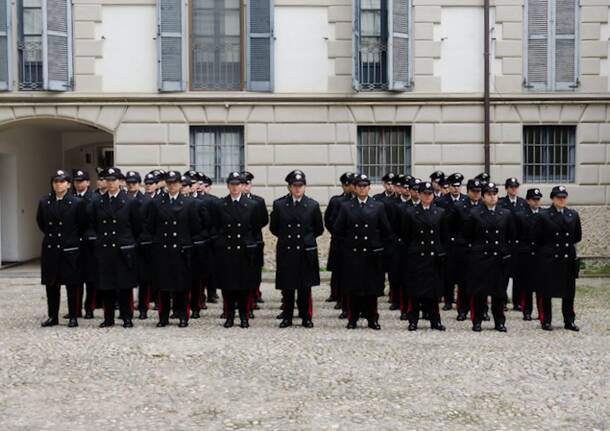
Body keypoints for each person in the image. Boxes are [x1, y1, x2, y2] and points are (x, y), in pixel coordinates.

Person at [333, 174, 393, 330]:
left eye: (365, 186)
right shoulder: (347, 206)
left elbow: (386, 231)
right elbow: (338, 230)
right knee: (354, 289)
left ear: (369, 188)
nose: (362, 188)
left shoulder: (378, 206)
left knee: (371, 290)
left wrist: (380, 249)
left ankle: (372, 318)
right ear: (355, 187)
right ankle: (352, 318)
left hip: (372, 255)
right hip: (353, 254)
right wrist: (346, 248)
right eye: (359, 186)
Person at [146, 170, 201, 328]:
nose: (172, 186)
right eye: (169, 183)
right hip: (162, 249)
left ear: (180, 184)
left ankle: (183, 316)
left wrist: (186, 241)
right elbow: (150, 226)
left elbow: (195, 226)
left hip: (181, 250)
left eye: (175, 183)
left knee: (182, 286)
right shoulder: (157, 203)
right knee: (163, 287)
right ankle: (163, 318)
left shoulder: (189, 203)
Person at [270, 170, 324, 328]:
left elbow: (318, 229)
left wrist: (306, 239)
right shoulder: (279, 204)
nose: (298, 189)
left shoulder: (312, 205)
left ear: (305, 187)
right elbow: (274, 228)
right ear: (289, 187)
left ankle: (306, 317)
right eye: (295, 186)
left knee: (305, 287)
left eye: (300, 186)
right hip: (287, 250)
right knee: (287, 287)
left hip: (305, 251)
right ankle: (287, 317)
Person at [37, 170, 88, 327]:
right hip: (51, 248)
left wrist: (70, 239)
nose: (58, 184)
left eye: (61, 181)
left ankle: (73, 316)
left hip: (69, 249)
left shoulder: (77, 203)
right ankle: (53, 316)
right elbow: (41, 223)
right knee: (51, 285)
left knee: (72, 285)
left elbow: (83, 225)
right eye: (55, 182)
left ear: (68, 184)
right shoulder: (45, 202)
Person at [463, 182, 516, 332]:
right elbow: (467, 236)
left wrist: (507, 253)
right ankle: (477, 321)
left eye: (494, 194)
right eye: (489, 194)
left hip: (499, 259)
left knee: (499, 293)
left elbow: (511, 236)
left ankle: (499, 321)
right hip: (481, 259)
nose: (492, 197)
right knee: (480, 293)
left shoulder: (505, 214)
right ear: (483, 196)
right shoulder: (474, 213)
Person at [211, 172, 261, 328]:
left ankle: (244, 317)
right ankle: (230, 316)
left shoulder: (252, 205)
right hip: (226, 250)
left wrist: (249, 243)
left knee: (244, 287)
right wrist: (220, 242)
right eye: (232, 184)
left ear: (242, 186)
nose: (234, 187)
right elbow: (215, 226)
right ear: (228, 186)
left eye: (237, 184)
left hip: (244, 251)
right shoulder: (220, 204)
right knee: (228, 287)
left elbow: (256, 226)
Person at [401, 181, 448, 331]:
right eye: (425, 194)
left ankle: (435, 321)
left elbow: (444, 235)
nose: (428, 196)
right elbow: (406, 236)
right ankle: (413, 320)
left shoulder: (440, 212)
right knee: (415, 291)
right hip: (417, 256)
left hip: (433, 257)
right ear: (419, 195)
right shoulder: (410, 212)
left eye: (430, 194)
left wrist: (441, 252)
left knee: (433, 293)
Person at [534, 186, 582, 331]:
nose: (561, 200)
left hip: (567, 258)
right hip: (550, 259)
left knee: (569, 292)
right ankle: (546, 320)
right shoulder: (543, 215)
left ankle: (569, 320)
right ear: (552, 199)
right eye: (558, 197)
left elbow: (577, 236)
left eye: (564, 197)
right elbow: (537, 238)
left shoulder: (572, 215)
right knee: (546, 292)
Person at [323, 172, 355, 317]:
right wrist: (337, 233)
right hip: (340, 242)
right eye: (348, 185)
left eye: (352, 184)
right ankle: (340, 299)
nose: (351, 187)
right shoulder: (337, 201)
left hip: (357, 243)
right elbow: (329, 220)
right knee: (340, 272)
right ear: (343, 186)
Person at [451, 178, 483, 321]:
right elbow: (452, 228)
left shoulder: (485, 205)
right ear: (468, 191)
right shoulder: (459, 206)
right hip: (464, 249)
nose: (476, 194)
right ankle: (462, 310)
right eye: (473, 191)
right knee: (463, 282)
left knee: (481, 282)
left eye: (478, 191)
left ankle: (482, 310)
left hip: (481, 249)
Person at [436, 173, 466, 310]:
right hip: (447, 241)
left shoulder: (465, 201)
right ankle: (448, 300)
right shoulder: (442, 201)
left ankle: (461, 301)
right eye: (453, 186)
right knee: (448, 273)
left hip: (462, 241)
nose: (455, 188)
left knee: (462, 274)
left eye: (458, 186)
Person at [513, 188, 543, 321]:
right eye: (534, 199)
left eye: (538, 199)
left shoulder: (545, 214)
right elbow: (515, 235)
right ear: (528, 200)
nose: (536, 202)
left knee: (541, 285)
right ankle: (527, 310)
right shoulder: (520, 215)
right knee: (526, 285)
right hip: (525, 254)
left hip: (540, 254)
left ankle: (541, 312)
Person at [498, 177, 528, 311]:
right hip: (506, 242)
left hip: (519, 243)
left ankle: (517, 302)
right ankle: (503, 301)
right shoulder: (501, 203)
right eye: (511, 187)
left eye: (515, 187)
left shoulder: (523, 203)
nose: (513, 189)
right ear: (506, 189)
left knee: (519, 275)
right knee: (504, 275)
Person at [241, 171, 269, 315]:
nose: (245, 187)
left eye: (247, 184)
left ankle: (254, 295)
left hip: (255, 239)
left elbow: (264, 219)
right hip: (240, 241)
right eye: (243, 184)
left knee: (255, 270)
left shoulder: (258, 201)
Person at [72, 169, 98, 319]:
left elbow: (97, 221)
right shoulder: (70, 198)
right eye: (76, 181)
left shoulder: (94, 199)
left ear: (88, 182)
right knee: (75, 280)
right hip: (75, 243)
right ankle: (75, 309)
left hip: (90, 244)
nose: (78, 183)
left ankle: (89, 308)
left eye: (81, 181)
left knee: (90, 279)